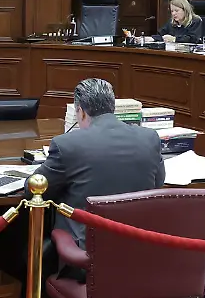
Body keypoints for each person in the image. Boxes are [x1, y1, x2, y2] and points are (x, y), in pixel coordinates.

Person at [36, 78, 165, 280]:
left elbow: (35, 190)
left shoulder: (66, 145)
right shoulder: (149, 138)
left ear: (81, 111)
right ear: (112, 106)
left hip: (84, 263)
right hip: (139, 257)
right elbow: (157, 185)